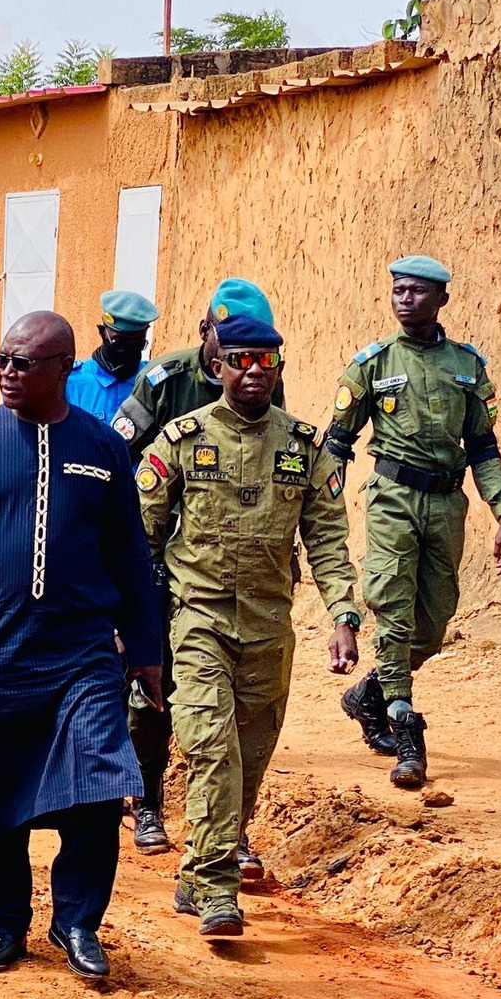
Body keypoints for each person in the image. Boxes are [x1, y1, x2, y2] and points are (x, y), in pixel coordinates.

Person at [0, 311, 161, 981]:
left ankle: (77, 920)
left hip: (81, 657)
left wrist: (146, 648)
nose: (8, 373)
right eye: (2, 360)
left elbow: (132, 555)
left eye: (23, 363)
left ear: (63, 370)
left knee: (101, 787)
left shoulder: (103, 449)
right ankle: (6, 921)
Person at [138, 311, 361, 936]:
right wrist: (130, 625)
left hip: (269, 629)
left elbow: (329, 540)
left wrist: (343, 614)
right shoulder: (182, 440)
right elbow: (140, 536)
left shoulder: (304, 448)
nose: (255, 371)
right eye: (241, 359)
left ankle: (198, 870)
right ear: (218, 367)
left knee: (249, 757)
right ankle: (215, 888)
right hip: (198, 620)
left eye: (267, 360)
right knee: (211, 747)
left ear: (279, 367)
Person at [109, 279, 284, 866]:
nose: (233, 355)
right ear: (205, 330)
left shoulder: (262, 375)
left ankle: (227, 829)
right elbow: (119, 455)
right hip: (159, 556)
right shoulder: (165, 380)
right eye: (221, 337)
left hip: (229, 569)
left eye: (249, 348)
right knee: (149, 681)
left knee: (231, 705)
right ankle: (148, 797)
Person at [328, 256, 501, 787]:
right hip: (392, 498)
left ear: (442, 301)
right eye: (398, 290)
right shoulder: (372, 364)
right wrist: (321, 508)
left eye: (416, 292)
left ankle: (369, 694)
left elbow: (482, 444)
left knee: (434, 623)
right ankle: (406, 733)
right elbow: (337, 444)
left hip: (446, 503)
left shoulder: (467, 365)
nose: (405, 299)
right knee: (393, 612)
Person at [65, 290, 159, 423]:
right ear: (103, 333)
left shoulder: (154, 383)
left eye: (138, 343)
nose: (127, 350)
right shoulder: (70, 383)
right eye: (119, 341)